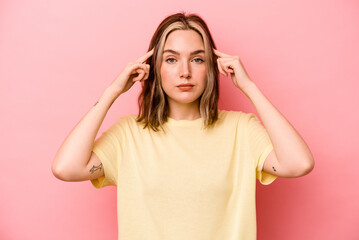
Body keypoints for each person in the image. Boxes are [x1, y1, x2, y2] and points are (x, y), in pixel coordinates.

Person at [52, 12, 314, 240]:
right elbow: (66, 167)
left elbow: (298, 163)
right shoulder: (128, 135)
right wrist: (112, 91)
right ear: (155, 68)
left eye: (198, 59)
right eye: (171, 59)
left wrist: (249, 87)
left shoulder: (241, 130)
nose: (185, 71)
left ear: (211, 67)